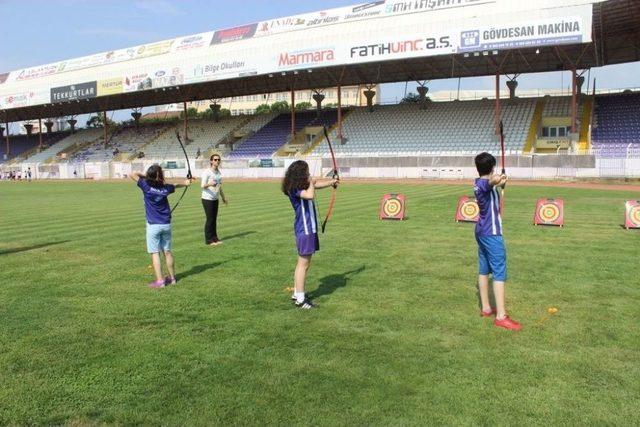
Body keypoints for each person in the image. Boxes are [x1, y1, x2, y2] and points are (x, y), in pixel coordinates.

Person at [473, 152, 521, 330]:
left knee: (484, 269)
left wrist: (502, 180)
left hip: (481, 231)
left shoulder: (477, 183)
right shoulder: (485, 183)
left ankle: (486, 307)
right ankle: (501, 316)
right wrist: (498, 179)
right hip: (492, 234)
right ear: (492, 168)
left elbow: (494, 182)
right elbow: (492, 182)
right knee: (499, 271)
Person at [282, 160, 339, 309]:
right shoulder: (294, 188)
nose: (309, 173)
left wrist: (331, 181)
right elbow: (310, 194)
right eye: (306, 171)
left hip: (308, 228)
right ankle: (300, 299)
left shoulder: (299, 185)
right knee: (303, 264)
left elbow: (315, 184)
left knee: (302, 263)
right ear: (301, 173)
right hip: (305, 229)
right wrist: (311, 181)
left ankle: (297, 293)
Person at [131, 164, 192, 288]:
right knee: (167, 252)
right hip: (166, 224)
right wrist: (186, 183)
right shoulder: (165, 188)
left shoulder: (145, 185)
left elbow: (132, 174)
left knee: (155, 253)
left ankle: (160, 281)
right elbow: (175, 185)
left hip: (153, 225)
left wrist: (148, 177)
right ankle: (172, 278)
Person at [201, 154, 227, 246]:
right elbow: (202, 185)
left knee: (214, 219)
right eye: (215, 160)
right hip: (207, 198)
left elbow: (219, 187)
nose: (217, 161)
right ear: (211, 161)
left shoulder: (218, 173)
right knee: (210, 219)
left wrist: (223, 197)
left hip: (215, 198)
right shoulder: (207, 172)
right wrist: (210, 184)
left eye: (218, 159)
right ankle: (209, 240)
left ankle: (215, 238)